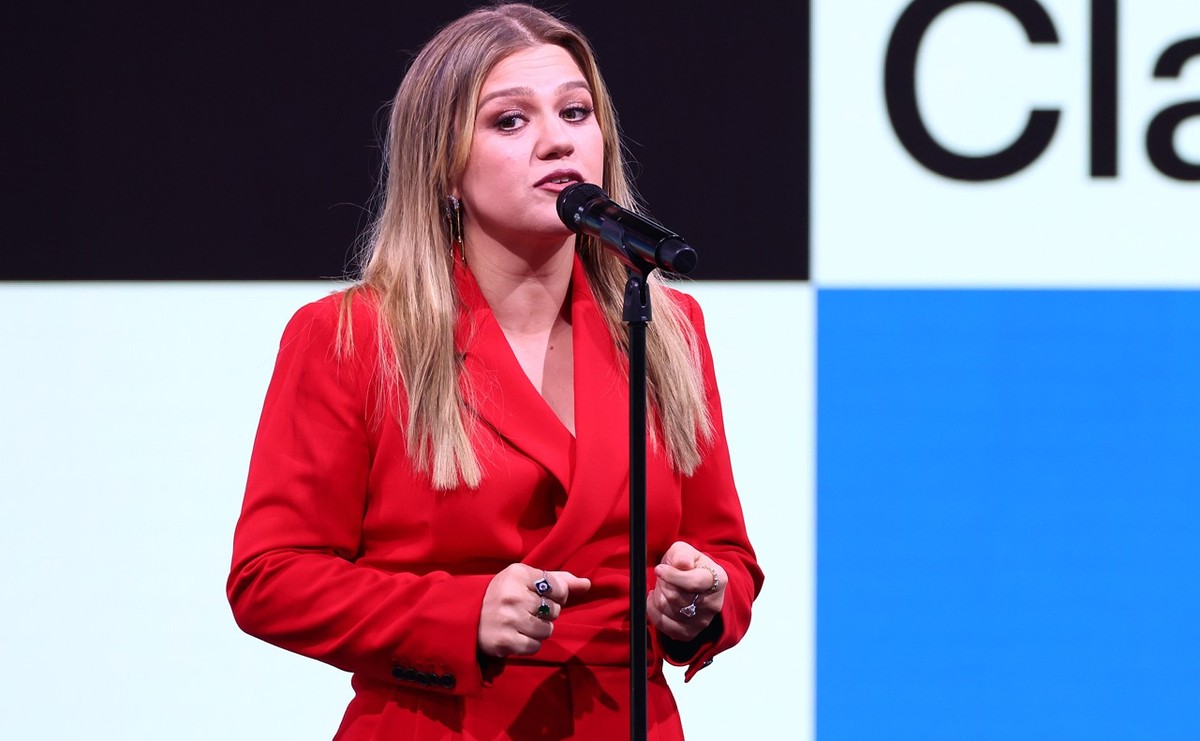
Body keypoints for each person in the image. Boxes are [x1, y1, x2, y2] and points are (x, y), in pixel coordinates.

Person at [227, 4, 763, 739]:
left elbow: (726, 554)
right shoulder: (353, 336)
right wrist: (462, 614)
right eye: (510, 121)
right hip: (445, 722)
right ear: (444, 165)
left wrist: (701, 600)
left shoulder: (667, 329)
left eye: (576, 112)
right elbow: (270, 577)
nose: (556, 141)